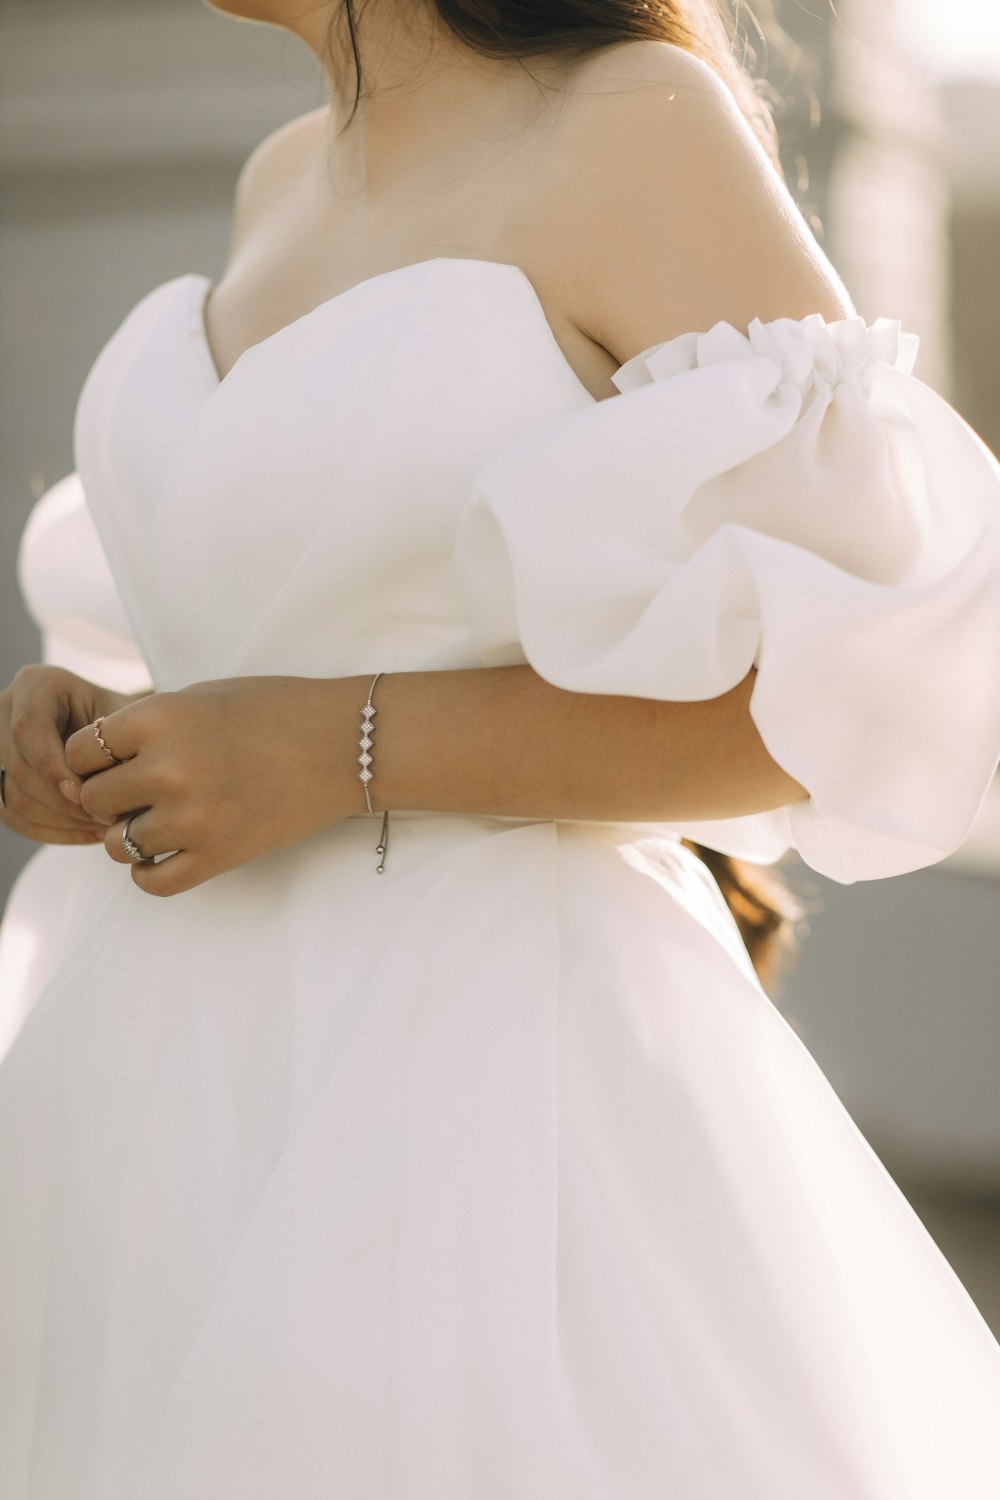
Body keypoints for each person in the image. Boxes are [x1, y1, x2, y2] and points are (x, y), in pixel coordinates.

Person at [1, 0, 999, 1494]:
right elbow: (304, 590)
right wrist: (90, 703)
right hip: (161, 1075)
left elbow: (858, 689)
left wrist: (337, 752)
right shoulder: (286, 171)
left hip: (482, 1078)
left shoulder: (632, 121)